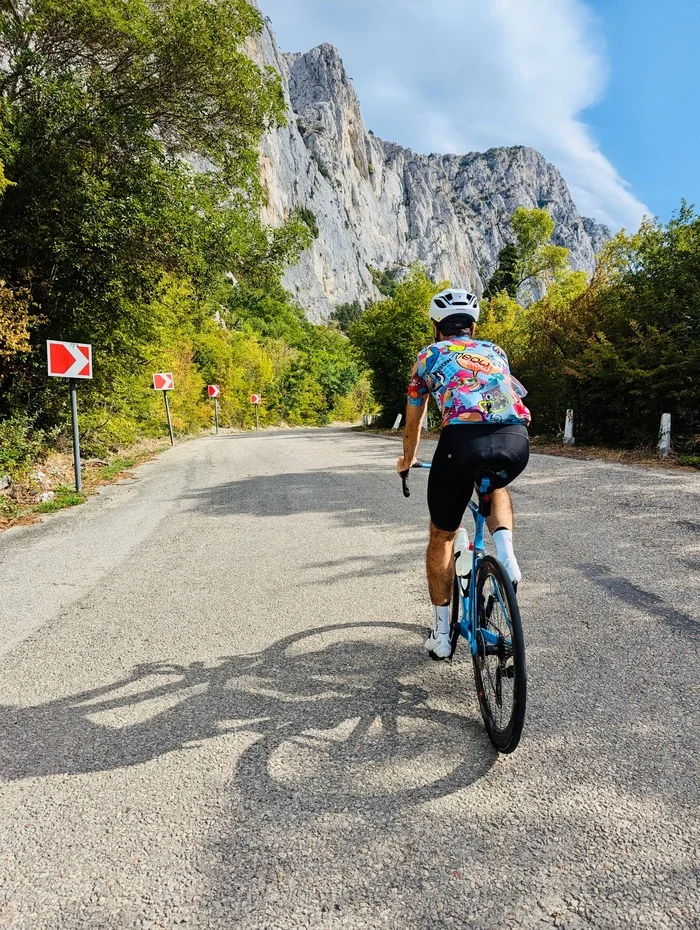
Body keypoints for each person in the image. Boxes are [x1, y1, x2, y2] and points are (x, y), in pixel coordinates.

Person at [396, 288, 531, 659]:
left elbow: (415, 420)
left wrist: (407, 459)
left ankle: (441, 636)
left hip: (461, 442)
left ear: (437, 327)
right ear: (472, 326)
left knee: (441, 535)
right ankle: (505, 555)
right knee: (495, 482)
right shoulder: (495, 352)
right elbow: (512, 391)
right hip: (515, 439)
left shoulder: (428, 356)